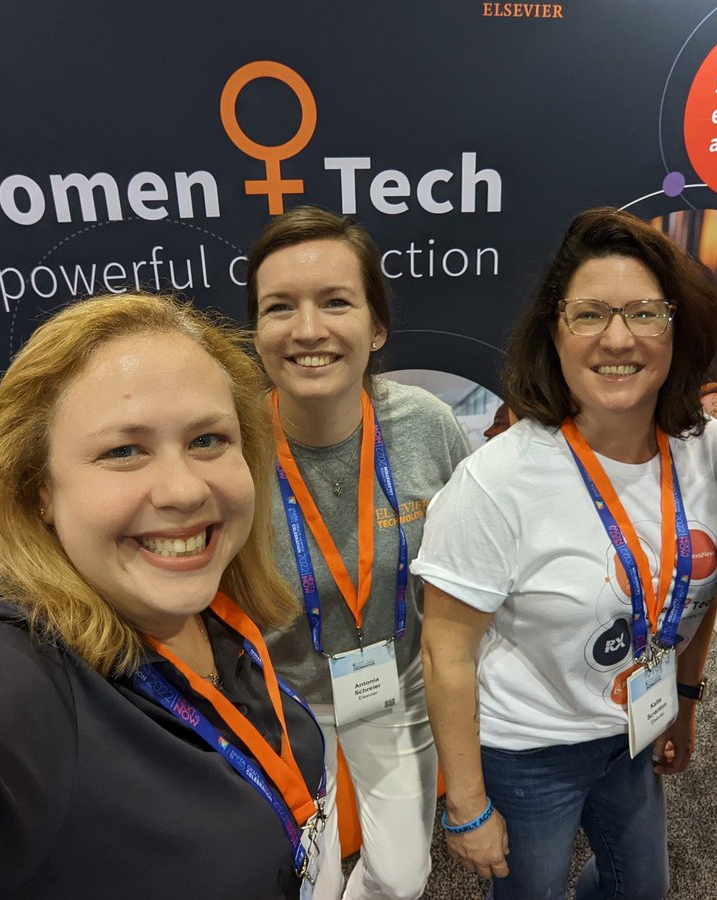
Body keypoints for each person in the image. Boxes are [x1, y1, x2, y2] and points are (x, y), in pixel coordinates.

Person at [0, 293, 327, 899]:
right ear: (40, 493)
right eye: (122, 451)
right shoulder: (6, 670)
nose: (185, 489)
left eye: (208, 440)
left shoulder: (210, 615)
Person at [416, 207, 717, 900]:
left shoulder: (711, 452)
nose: (617, 338)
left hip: (630, 730)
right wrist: (466, 803)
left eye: (645, 313)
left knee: (640, 888)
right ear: (554, 333)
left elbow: (694, 593)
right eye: (589, 313)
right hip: (528, 747)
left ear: (677, 328)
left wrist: (683, 698)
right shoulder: (497, 481)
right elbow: (445, 649)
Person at [246, 206, 471, 900]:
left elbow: (468, 572)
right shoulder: (229, 449)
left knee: (401, 880)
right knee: (304, 884)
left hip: (397, 690)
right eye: (280, 307)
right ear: (257, 333)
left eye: (335, 302)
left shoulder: (427, 426)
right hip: (279, 707)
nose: (308, 330)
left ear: (376, 327)